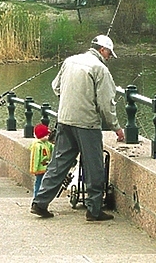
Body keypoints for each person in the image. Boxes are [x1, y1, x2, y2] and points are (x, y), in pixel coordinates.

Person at [31, 35, 125, 221]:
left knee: (58, 164)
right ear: (102, 50)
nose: (109, 58)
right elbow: (106, 104)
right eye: (109, 54)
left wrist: (70, 102)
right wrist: (116, 127)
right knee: (94, 167)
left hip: (65, 120)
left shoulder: (70, 61)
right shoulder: (100, 69)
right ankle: (94, 210)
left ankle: (40, 202)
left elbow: (56, 87)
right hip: (87, 124)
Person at [29, 124, 54, 197]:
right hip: (40, 169)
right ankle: (36, 197)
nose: (48, 136)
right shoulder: (37, 145)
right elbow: (35, 158)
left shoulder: (46, 143)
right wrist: (34, 170)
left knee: (43, 183)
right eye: (46, 135)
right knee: (39, 183)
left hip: (45, 167)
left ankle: (41, 196)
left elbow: (52, 147)